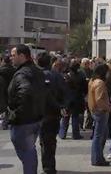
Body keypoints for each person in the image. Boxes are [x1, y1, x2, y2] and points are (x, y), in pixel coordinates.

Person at [8, 44, 46, 174]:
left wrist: (16, 114)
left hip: (24, 121)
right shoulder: (36, 71)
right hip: (35, 118)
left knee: (27, 153)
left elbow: (25, 93)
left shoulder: (22, 73)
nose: (11, 58)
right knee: (29, 151)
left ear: (22, 56)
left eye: (13, 55)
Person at [37, 52, 67, 174]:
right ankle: (49, 165)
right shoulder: (57, 76)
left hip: (42, 113)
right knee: (50, 140)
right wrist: (62, 106)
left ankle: (48, 166)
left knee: (44, 141)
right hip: (54, 113)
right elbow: (65, 92)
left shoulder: (37, 76)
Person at [88, 64, 111, 166]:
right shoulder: (100, 83)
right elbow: (99, 100)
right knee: (99, 137)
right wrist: (110, 108)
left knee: (99, 136)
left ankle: (97, 157)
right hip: (101, 112)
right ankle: (97, 159)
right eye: (107, 72)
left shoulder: (92, 81)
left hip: (95, 111)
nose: (109, 74)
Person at [59, 59, 87, 140]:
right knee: (75, 118)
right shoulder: (81, 76)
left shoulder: (65, 76)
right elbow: (85, 88)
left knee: (65, 117)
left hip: (67, 99)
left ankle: (62, 134)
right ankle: (75, 135)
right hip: (77, 99)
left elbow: (62, 89)